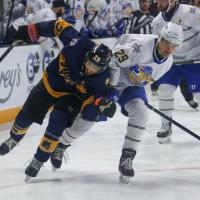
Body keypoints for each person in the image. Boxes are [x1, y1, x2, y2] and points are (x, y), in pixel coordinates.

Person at [50, 22, 184, 184]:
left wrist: (136, 87)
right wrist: (112, 90)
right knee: (91, 113)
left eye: (174, 46)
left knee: (141, 113)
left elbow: (144, 80)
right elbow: (111, 61)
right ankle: (62, 145)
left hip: (129, 86)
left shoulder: (168, 62)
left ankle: (127, 158)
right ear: (160, 38)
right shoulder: (139, 46)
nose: (169, 49)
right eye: (167, 43)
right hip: (109, 79)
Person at [0, 19, 117, 178]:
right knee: (26, 116)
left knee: (58, 121)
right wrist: (30, 30)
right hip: (51, 85)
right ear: (87, 55)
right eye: (90, 63)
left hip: (73, 96)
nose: (90, 69)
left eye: (96, 68)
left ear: (102, 68)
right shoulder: (78, 45)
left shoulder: (101, 79)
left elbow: (98, 98)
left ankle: (39, 159)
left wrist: (104, 103)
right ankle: (14, 138)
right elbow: (58, 26)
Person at [152, 0, 200, 144]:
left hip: (195, 58)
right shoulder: (156, 22)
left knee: (198, 94)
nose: (156, 2)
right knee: (164, 91)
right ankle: (166, 126)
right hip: (172, 61)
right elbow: (158, 45)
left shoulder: (191, 12)